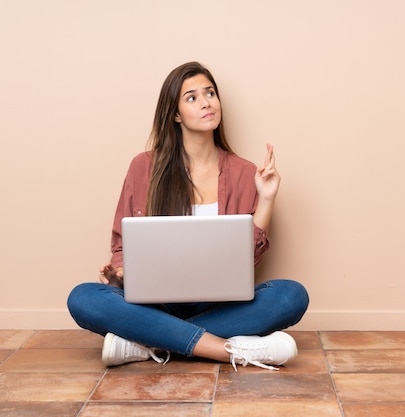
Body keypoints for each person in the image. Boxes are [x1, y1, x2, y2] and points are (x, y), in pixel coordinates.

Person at [67, 62, 309, 371]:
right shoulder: (143, 167)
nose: (207, 102)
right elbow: (121, 246)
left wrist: (266, 199)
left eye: (210, 93)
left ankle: (148, 340)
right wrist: (120, 272)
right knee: (83, 297)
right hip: (155, 302)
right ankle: (228, 349)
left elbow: (245, 262)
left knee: (291, 296)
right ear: (176, 114)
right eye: (192, 97)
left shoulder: (244, 172)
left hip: (219, 303)